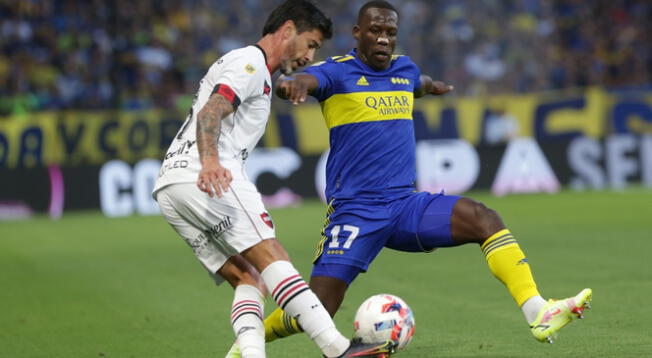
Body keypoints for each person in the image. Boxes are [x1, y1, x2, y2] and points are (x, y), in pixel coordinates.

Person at [226, 1, 593, 356]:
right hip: (356, 211)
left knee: (483, 218)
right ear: (358, 33)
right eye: (375, 31)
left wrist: (433, 87)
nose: (384, 38)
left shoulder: (406, 69)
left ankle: (537, 312)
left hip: (405, 205)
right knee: (319, 305)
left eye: (390, 32)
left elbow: (418, 82)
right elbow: (308, 77)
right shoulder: (336, 72)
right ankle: (251, 341)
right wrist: (298, 84)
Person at [153, 1, 396, 357]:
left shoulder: (253, 70)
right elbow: (212, 111)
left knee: (248, 276)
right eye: (310, 44)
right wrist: (209, 162)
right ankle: (337, 348)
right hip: (206, 174)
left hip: (171, 186)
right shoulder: (249, 64)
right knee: (272, 255)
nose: (310, 56)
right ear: (287, 31)